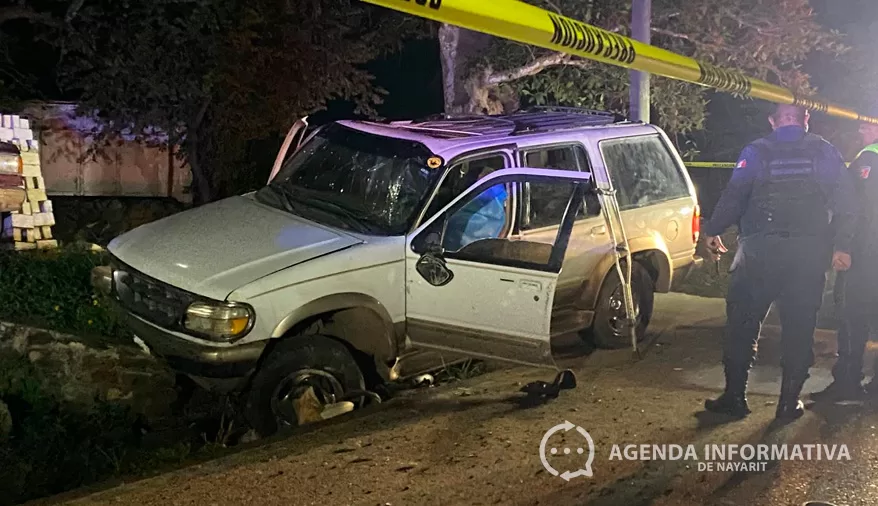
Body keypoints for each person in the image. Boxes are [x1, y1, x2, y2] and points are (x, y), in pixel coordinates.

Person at [701, 104, 856, 421]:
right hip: (808, 256)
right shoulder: (824, 152)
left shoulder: (757, 151)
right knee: (799, 329)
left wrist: (713, 230)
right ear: (806, 122)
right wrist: (842, 245)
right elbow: (847, 202)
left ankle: (735, 398)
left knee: (743, 324)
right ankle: (787, 404)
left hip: (760, 251)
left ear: (773, 122)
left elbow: (735, 194)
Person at [813, 109, 878, 401]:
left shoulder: (869, 159)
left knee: (854, 317)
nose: (862, 127)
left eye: (868, 123)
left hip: (867, 256)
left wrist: (844, 246)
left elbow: (856, 211)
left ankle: (848, 382)